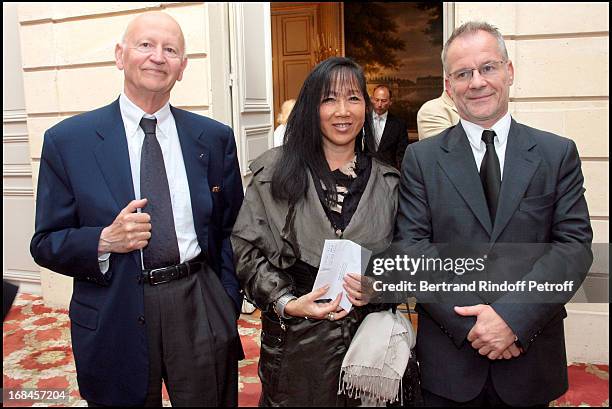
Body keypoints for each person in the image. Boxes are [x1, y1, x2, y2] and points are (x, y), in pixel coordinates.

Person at [30, 12, 244, 407]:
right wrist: (104, 240)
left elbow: (232, 229)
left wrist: (225, 300)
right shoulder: (68, 142)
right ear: (120, 55)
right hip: (115, 309)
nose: (157, 57)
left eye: (171, 49)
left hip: (198, 303)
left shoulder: (214, 139)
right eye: (145, 45)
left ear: (182, 68)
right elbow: (45, 242)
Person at [395, 22, 592, 406]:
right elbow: (413, 250)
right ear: (449, 87)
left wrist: (512, 320)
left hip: (529, 357)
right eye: (463, 73)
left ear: (509, 71)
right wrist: (475, 327)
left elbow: (573, 249)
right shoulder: (421, 159)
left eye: (488, 67)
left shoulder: (556, 154)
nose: (477, 82)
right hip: (450, 364)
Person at [231, 57, 401, 406]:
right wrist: (286, 302)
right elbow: (245, 249)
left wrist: (379, 288)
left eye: (353, 98)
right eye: (329, 99)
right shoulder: (274, 171)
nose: (343, 111)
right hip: (295, 345)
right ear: (312, 107)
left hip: (366, 348)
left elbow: (405, 257)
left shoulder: (389, 183)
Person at [366, 85, 409, 170]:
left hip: (389, 173)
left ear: (390, 102)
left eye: (383, 101)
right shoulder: (363, 121)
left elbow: (401, 154)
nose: (379, 104)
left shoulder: (399, 125)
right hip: (365, 171)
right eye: (377, 100)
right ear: (372, 99)